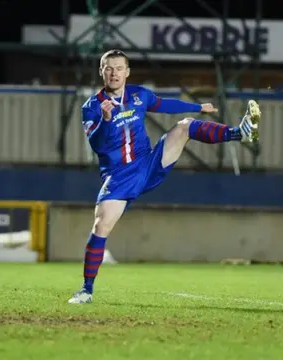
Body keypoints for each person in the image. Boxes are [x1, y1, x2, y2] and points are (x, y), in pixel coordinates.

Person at [68, 49, 261, 304]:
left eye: (118, 68)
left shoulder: (139, 95)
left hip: (148, 162)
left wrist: (198, 106)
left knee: (184, 126)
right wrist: (105, 119)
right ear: (101, 71)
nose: (114, 73)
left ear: (127, 72)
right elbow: (98, 145)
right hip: (119, 175)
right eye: (108, 68)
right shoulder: (92, 107)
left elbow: (165, 105)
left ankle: (240, 133)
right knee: (101, 226)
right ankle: (86, 290)